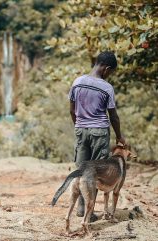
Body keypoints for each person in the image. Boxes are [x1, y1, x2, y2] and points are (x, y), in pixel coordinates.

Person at [68, 51, 126, 222]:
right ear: (106, 68)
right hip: (99, 132)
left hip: (81, 129)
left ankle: (80, 208)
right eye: (111, 72)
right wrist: (119, 136)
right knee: (95, 172)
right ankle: (89, 212)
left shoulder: (77, 82)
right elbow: (113, 116)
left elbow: (72, 110)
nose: (110, 75)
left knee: (82, 169)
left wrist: (79, 126)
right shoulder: (106, 87)